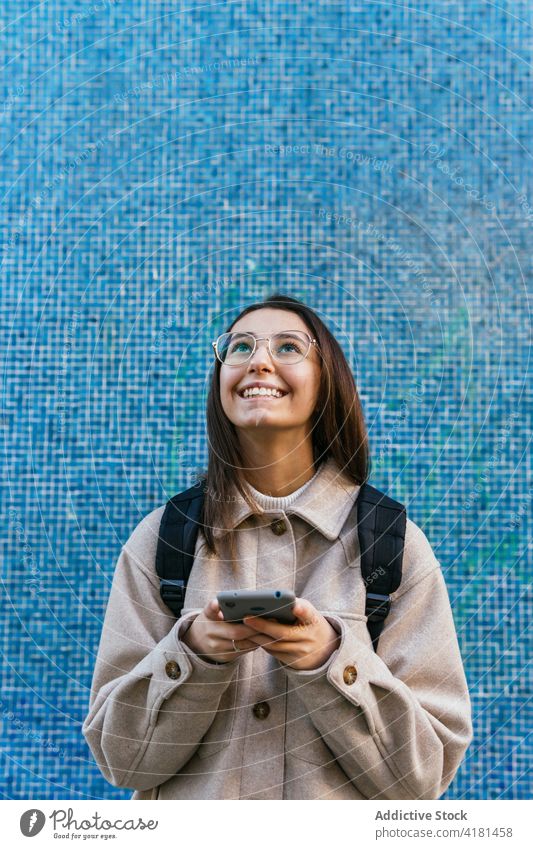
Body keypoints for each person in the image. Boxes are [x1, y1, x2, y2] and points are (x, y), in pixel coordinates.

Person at [82, 293, 473, 800]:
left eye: (288, 347)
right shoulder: (162, 540)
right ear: (220, 381)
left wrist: (331, 660)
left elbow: (425, 775)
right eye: (240, 347)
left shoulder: (392, 547)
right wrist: (191, 654)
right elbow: (119, 760)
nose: (258, 360)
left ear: (326, 381)